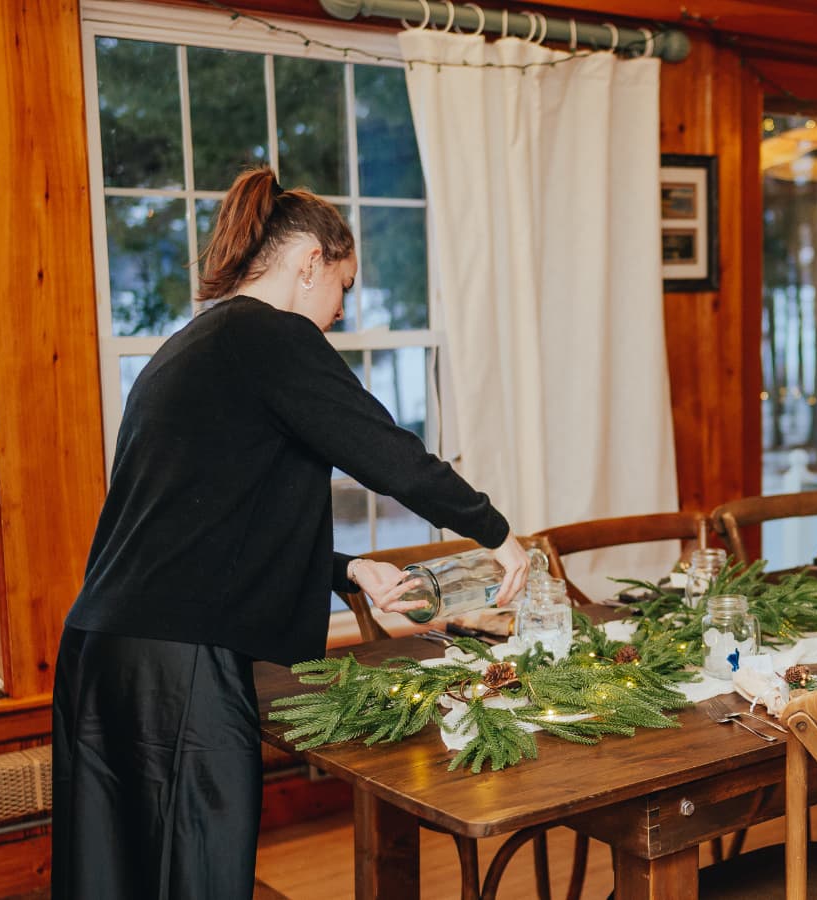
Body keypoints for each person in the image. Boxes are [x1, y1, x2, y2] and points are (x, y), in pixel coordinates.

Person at [50, 168, 531, 899]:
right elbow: (387, 452)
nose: (341, 309)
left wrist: (346, 572)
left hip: (107, 651)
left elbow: (203, 524)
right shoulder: (271, 337)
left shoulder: (196, 346)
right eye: (342, 284)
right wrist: (496, 532)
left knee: (121, 880)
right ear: (310, 262)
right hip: (174, 664)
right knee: (199, 877)